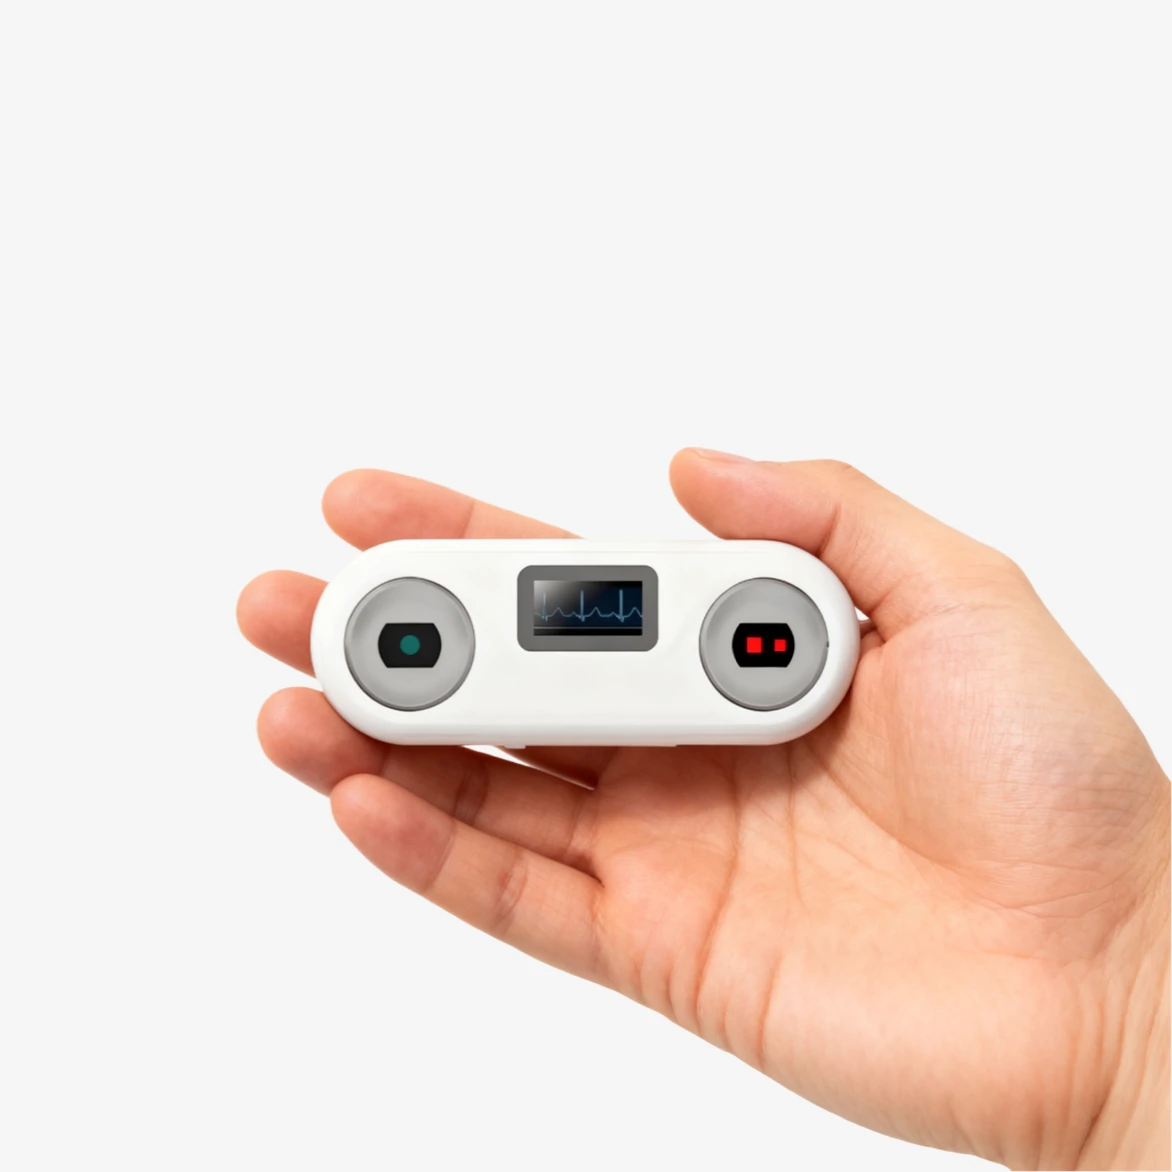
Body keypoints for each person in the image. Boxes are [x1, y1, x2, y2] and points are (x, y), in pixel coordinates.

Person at [237, 450, 1170, 1170]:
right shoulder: (770, 621)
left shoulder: (791, 628)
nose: (596, 621)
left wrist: (1125, 1003)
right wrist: (1120, 1043)